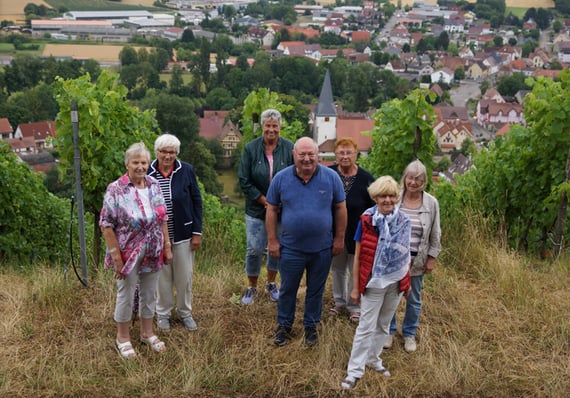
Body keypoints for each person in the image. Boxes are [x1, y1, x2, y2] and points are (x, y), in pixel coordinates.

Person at [266, 137, 347, 347]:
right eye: (302, 154)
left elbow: (340, 208)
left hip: (322, 248)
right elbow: (271, 209)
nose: (307, 159)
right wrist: (272, 240)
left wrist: (339, 238)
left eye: (311, 154)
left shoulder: (331, 178)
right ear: (294, 155)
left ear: (317, 155)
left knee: (315, 291)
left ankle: (311, 327)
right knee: (288, 289)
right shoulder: (281, 179)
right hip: (291, 248)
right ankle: (284, 326)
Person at [100, 142, 172, 359]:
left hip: (153, 248)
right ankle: (122, 337)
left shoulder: (153, 184)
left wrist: (167, 246)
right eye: (135, 162)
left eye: (143, 162)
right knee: (126, 293)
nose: (140, 166)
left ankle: (147, 332)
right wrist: (116, 258)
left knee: (150, 292)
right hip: (127, 252)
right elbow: (106, 224)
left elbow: (162, 218)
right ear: (127, 164)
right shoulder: (116, 189)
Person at [341, 176, 411, 390]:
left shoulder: (404, 221)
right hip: (373, 283)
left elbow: (406, 255)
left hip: (396, 281)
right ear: (375, 197)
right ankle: (354, 371)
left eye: (391, 195)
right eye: (383, 195)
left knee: (383, 324)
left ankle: (374, 359)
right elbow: (358, 257)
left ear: (396, 197)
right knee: (365, 326)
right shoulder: (366, 220)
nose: (387, 200)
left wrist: (406, 283)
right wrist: (354, 288)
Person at [238, 109, 294, 305]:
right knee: (253, 249)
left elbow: (295, 176)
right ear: (262, 127)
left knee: (275, 248)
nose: (271, 129)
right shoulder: (251, 149)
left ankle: (271, 284)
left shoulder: (289, 148)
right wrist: (264, 200)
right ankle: (251, 286)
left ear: (280, 127)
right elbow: (244, 180)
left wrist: (281, 202)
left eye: (275, 126)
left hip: (282, 210)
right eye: (268, 126)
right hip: (256, 208)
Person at [148, 134, 203, 332]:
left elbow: (197, 201)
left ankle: (184, 312)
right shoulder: (147, 172)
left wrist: (197, 232)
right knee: (161, 278)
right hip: (156, 237)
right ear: (157, 152)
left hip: (183, 233)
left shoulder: (186, 170)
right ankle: (163, 314)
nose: (167, 156)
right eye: (163, 151)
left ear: (177, 153)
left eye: (172, 152)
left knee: (184, 276)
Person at [384, 159, 441, 353]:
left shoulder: (431, 203)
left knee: (413, 299)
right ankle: (389, 331)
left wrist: (432, 257)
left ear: (424, 181)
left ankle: (409, 334)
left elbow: (435, 232)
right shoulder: (394, 198)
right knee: (391, 296)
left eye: (418, 179)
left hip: (417, 259)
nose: (413, 182)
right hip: (393, 259)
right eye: (410, 177)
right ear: (405, 178)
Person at [328, 138, 375, 323]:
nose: (345, 156)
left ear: (356, 154)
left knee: (355, 269)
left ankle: (355, 306)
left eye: (349, 152)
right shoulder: (328, 174)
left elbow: (374, 207)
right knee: (338, 268)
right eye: (341, 152)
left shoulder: (366, 178)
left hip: (358, 233)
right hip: (334, 231)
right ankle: (339, 302)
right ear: (336, 155)